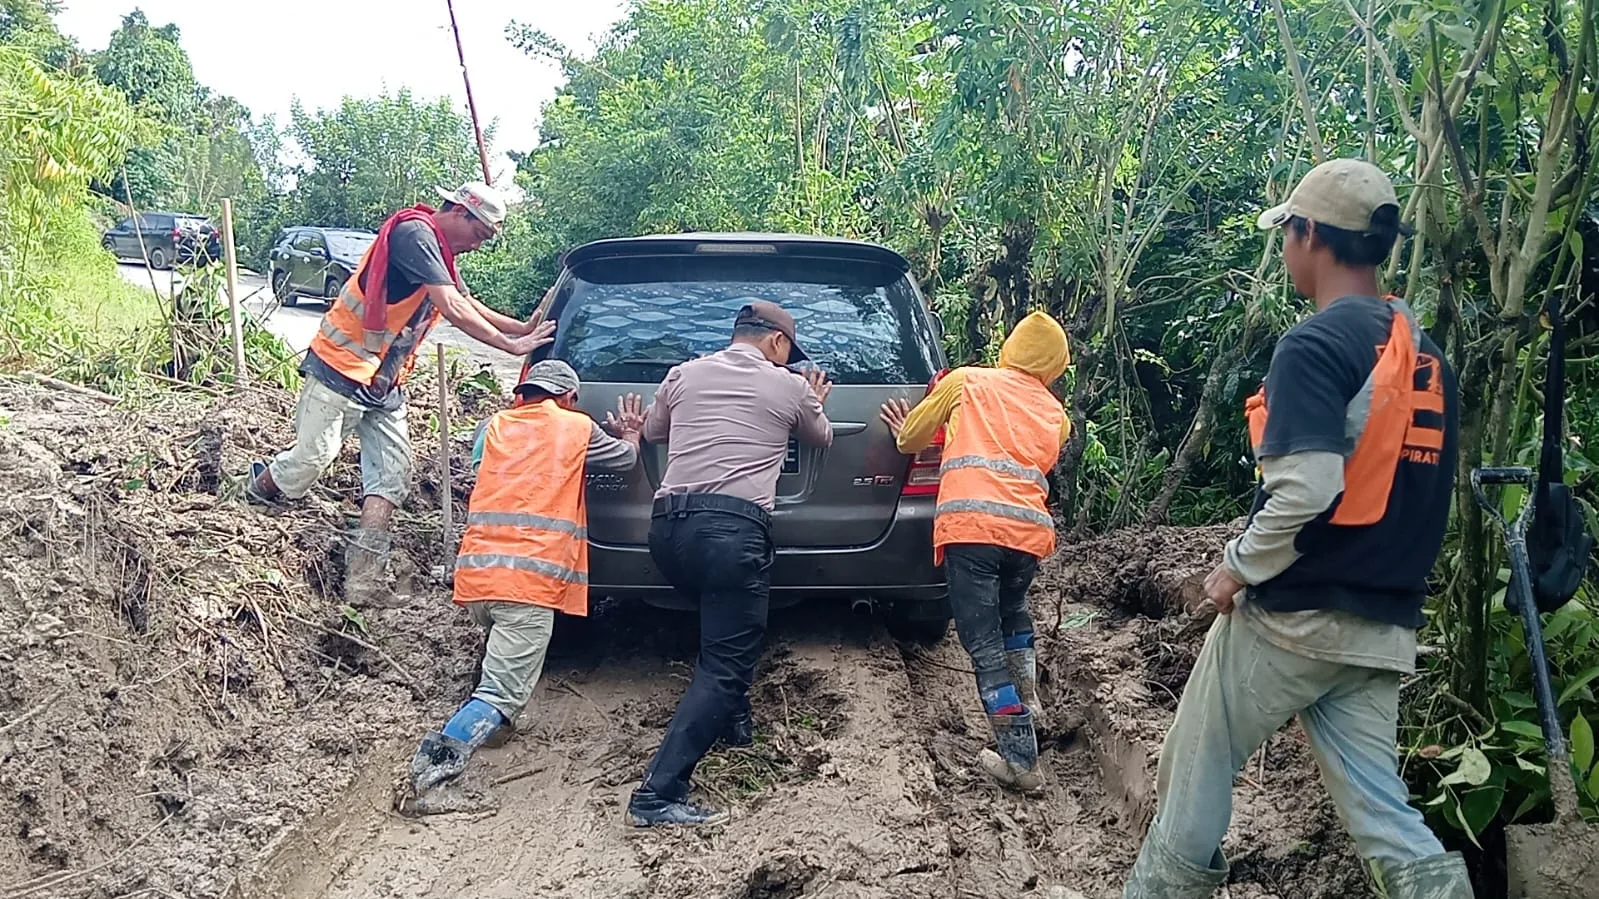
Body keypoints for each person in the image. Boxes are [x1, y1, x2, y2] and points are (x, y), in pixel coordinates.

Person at [1122, 159, 1471, 898]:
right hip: (1380, 626)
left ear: (1310, 235)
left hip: (1292, 618)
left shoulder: (1315, 345)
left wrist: (1235, 566)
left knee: (1194, 771)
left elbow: (1306, 489)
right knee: (1383, 814)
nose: (1283, 248)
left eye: (1286, 232)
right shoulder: (1426, 357)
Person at [246, 182, 555, 606]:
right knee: (311, 461)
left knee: (391, 477)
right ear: (461, 212)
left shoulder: (440, 251)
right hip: (340, 367)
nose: (479, 246)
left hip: (383, 381)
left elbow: (465, 300)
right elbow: (452, 306)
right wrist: (509, 346)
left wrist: (519, 328)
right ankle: (259, 489)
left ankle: (364, 581)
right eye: (480, 235)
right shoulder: (417, 234)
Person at [625, 301, 833, 827]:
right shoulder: (790, 386)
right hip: (731, 534)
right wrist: (816, 402)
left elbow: (652, 431)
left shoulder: (684, 373)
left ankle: (735, 722)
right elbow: (820, 438)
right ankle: (657, 794)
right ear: (778, 344)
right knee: (726, 664)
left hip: (668, 532)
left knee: (720, 625)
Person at [409, 360, 644, 793]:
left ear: (524, 393)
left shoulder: (493, 426)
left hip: (479, 575)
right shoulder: (577, 427)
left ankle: (495, 726)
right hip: (528, 584)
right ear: (569, 398)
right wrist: (630, 430)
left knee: (500, 660)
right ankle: (429, 782)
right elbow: (627, 460)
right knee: (501, 692)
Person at [879, 311, 1072, 792]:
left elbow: (910, 439)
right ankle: (1029, 701)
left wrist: (907, 424)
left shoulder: (968, 382)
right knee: (1014, 613)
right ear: (1055, 366)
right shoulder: (1057, 415)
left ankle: (1021, 760)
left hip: (972, 529)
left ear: (1010, 348)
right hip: (1027, 535)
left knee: (983, 647)